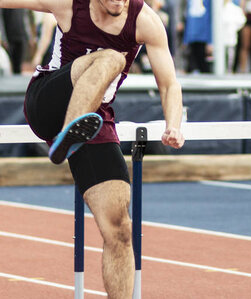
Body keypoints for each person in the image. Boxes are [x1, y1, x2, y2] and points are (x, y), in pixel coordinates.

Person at [2, 0, 185, 297]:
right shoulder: (68, 5)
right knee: (112, 58)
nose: (117, 2)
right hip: (47, 103)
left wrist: (173, 124)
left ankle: (75, 133)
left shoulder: (145, 21)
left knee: (120, 229)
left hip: (94, 120)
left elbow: (169, 84)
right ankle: (69, 131)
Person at [183, 0, 212, 73]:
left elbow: (211, 20)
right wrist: (186, 39)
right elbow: (189, 20)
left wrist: (210, 41)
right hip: (192, 37)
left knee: (204, 66)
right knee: (191, 67)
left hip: (203, 37)